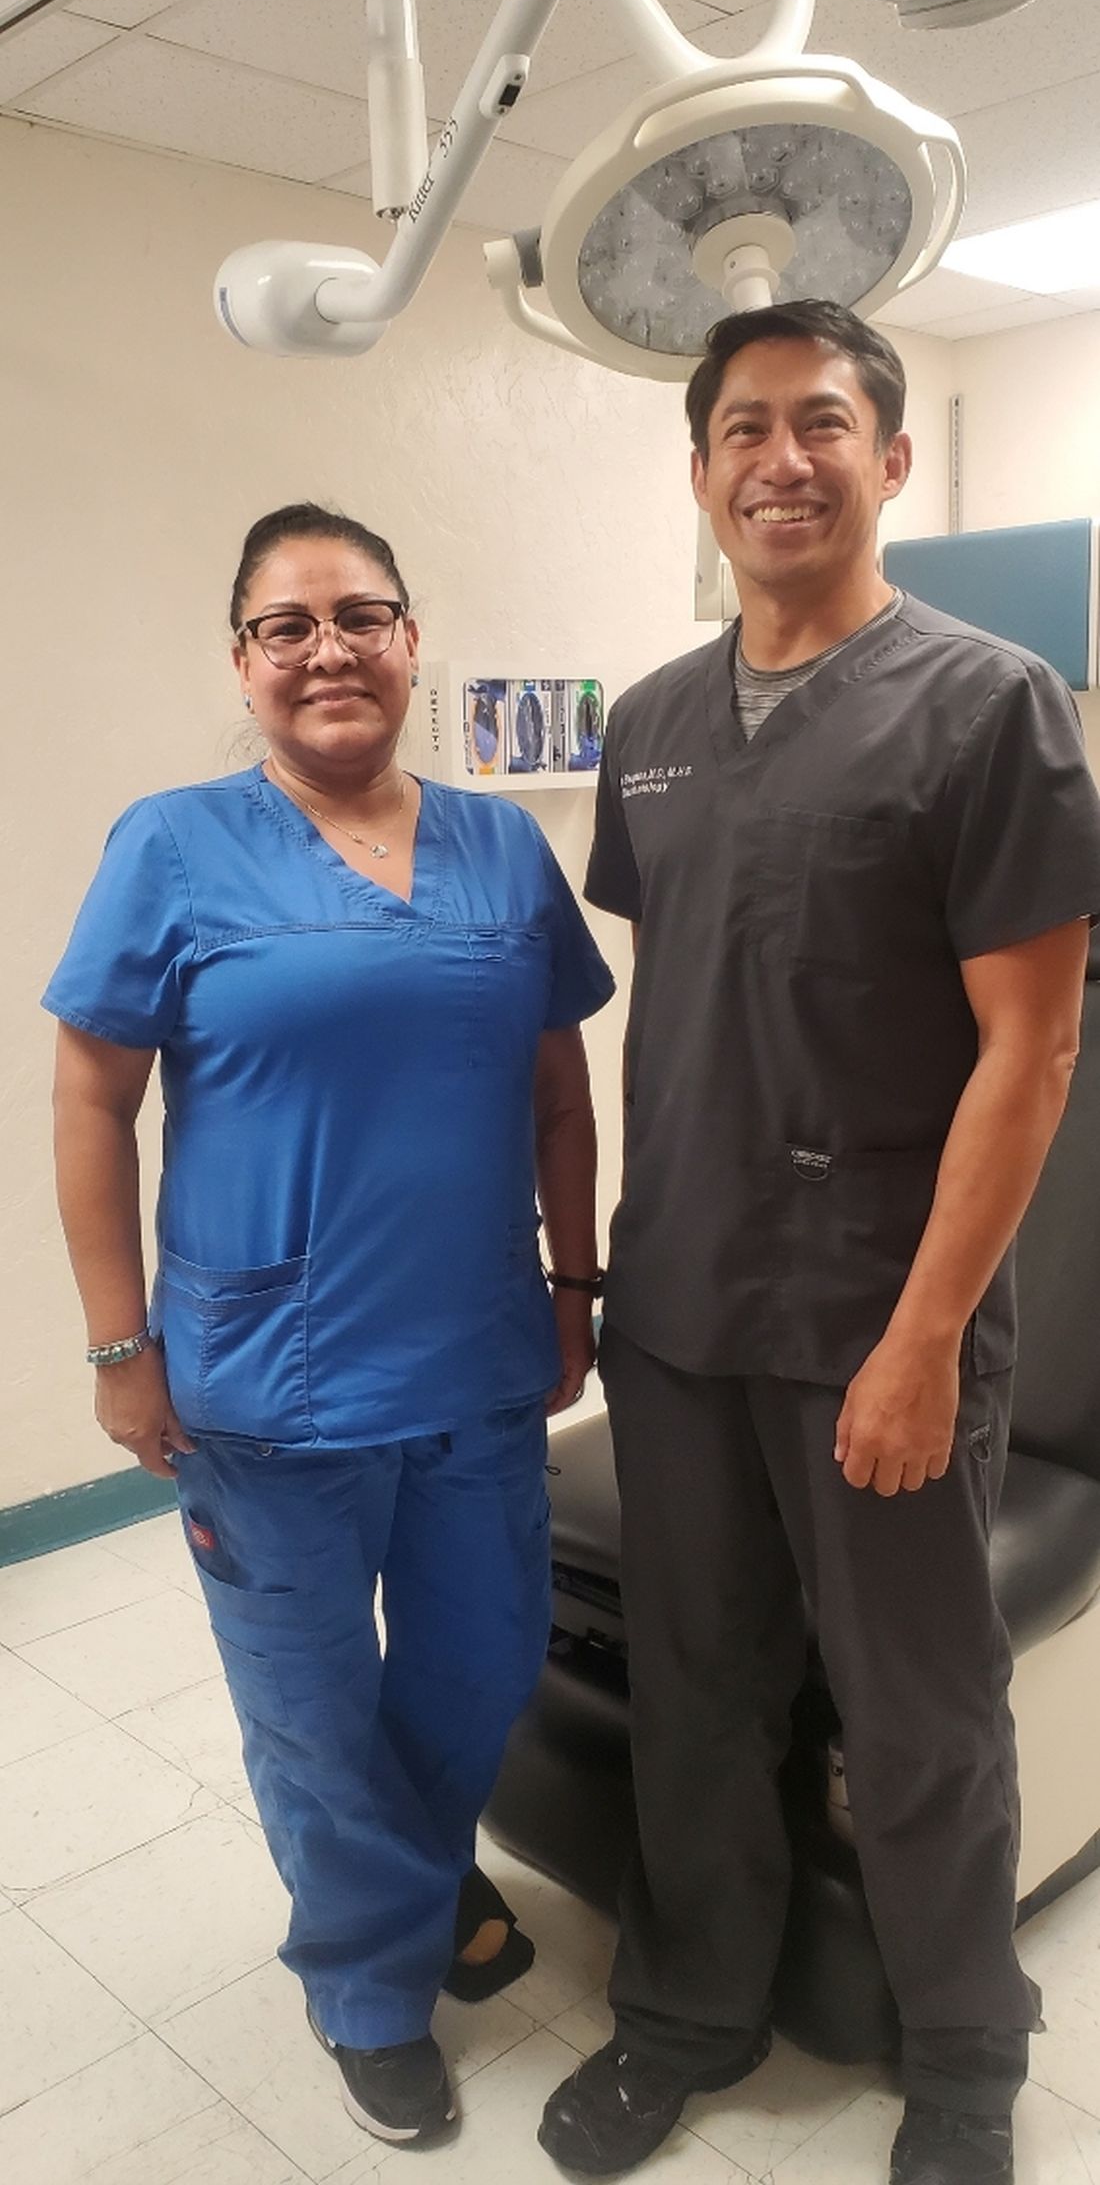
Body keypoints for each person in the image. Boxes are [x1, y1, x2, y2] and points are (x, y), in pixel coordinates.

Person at [538, 302, 1100, 2185]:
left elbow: (1033, 1053)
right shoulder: (653, 730)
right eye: (745, 429)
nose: (784, 457)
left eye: (826, 423)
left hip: (885, 1312)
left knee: (921, 1714)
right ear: (698, 473)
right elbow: (688, 999)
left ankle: (963, 2064)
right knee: (700, 1689)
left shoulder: (991, 705)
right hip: (683, 1306)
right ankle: (691, 2013)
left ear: (892, 459)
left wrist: (930, 1337)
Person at [46, 501, 614, 2149]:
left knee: (481, 1660)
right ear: (244, 661)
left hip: (477, 1364)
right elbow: (91, 1101)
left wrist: (573, 1284)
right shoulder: (173, 842)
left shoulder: (505, 848)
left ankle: (420, 1888)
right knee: (310, 1711)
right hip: (263, 1386)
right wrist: (115, 1344)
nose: (327, 650)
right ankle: (370, 1984)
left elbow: (560, 1094)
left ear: (411, 642)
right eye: (286, 626)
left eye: (360, 616)